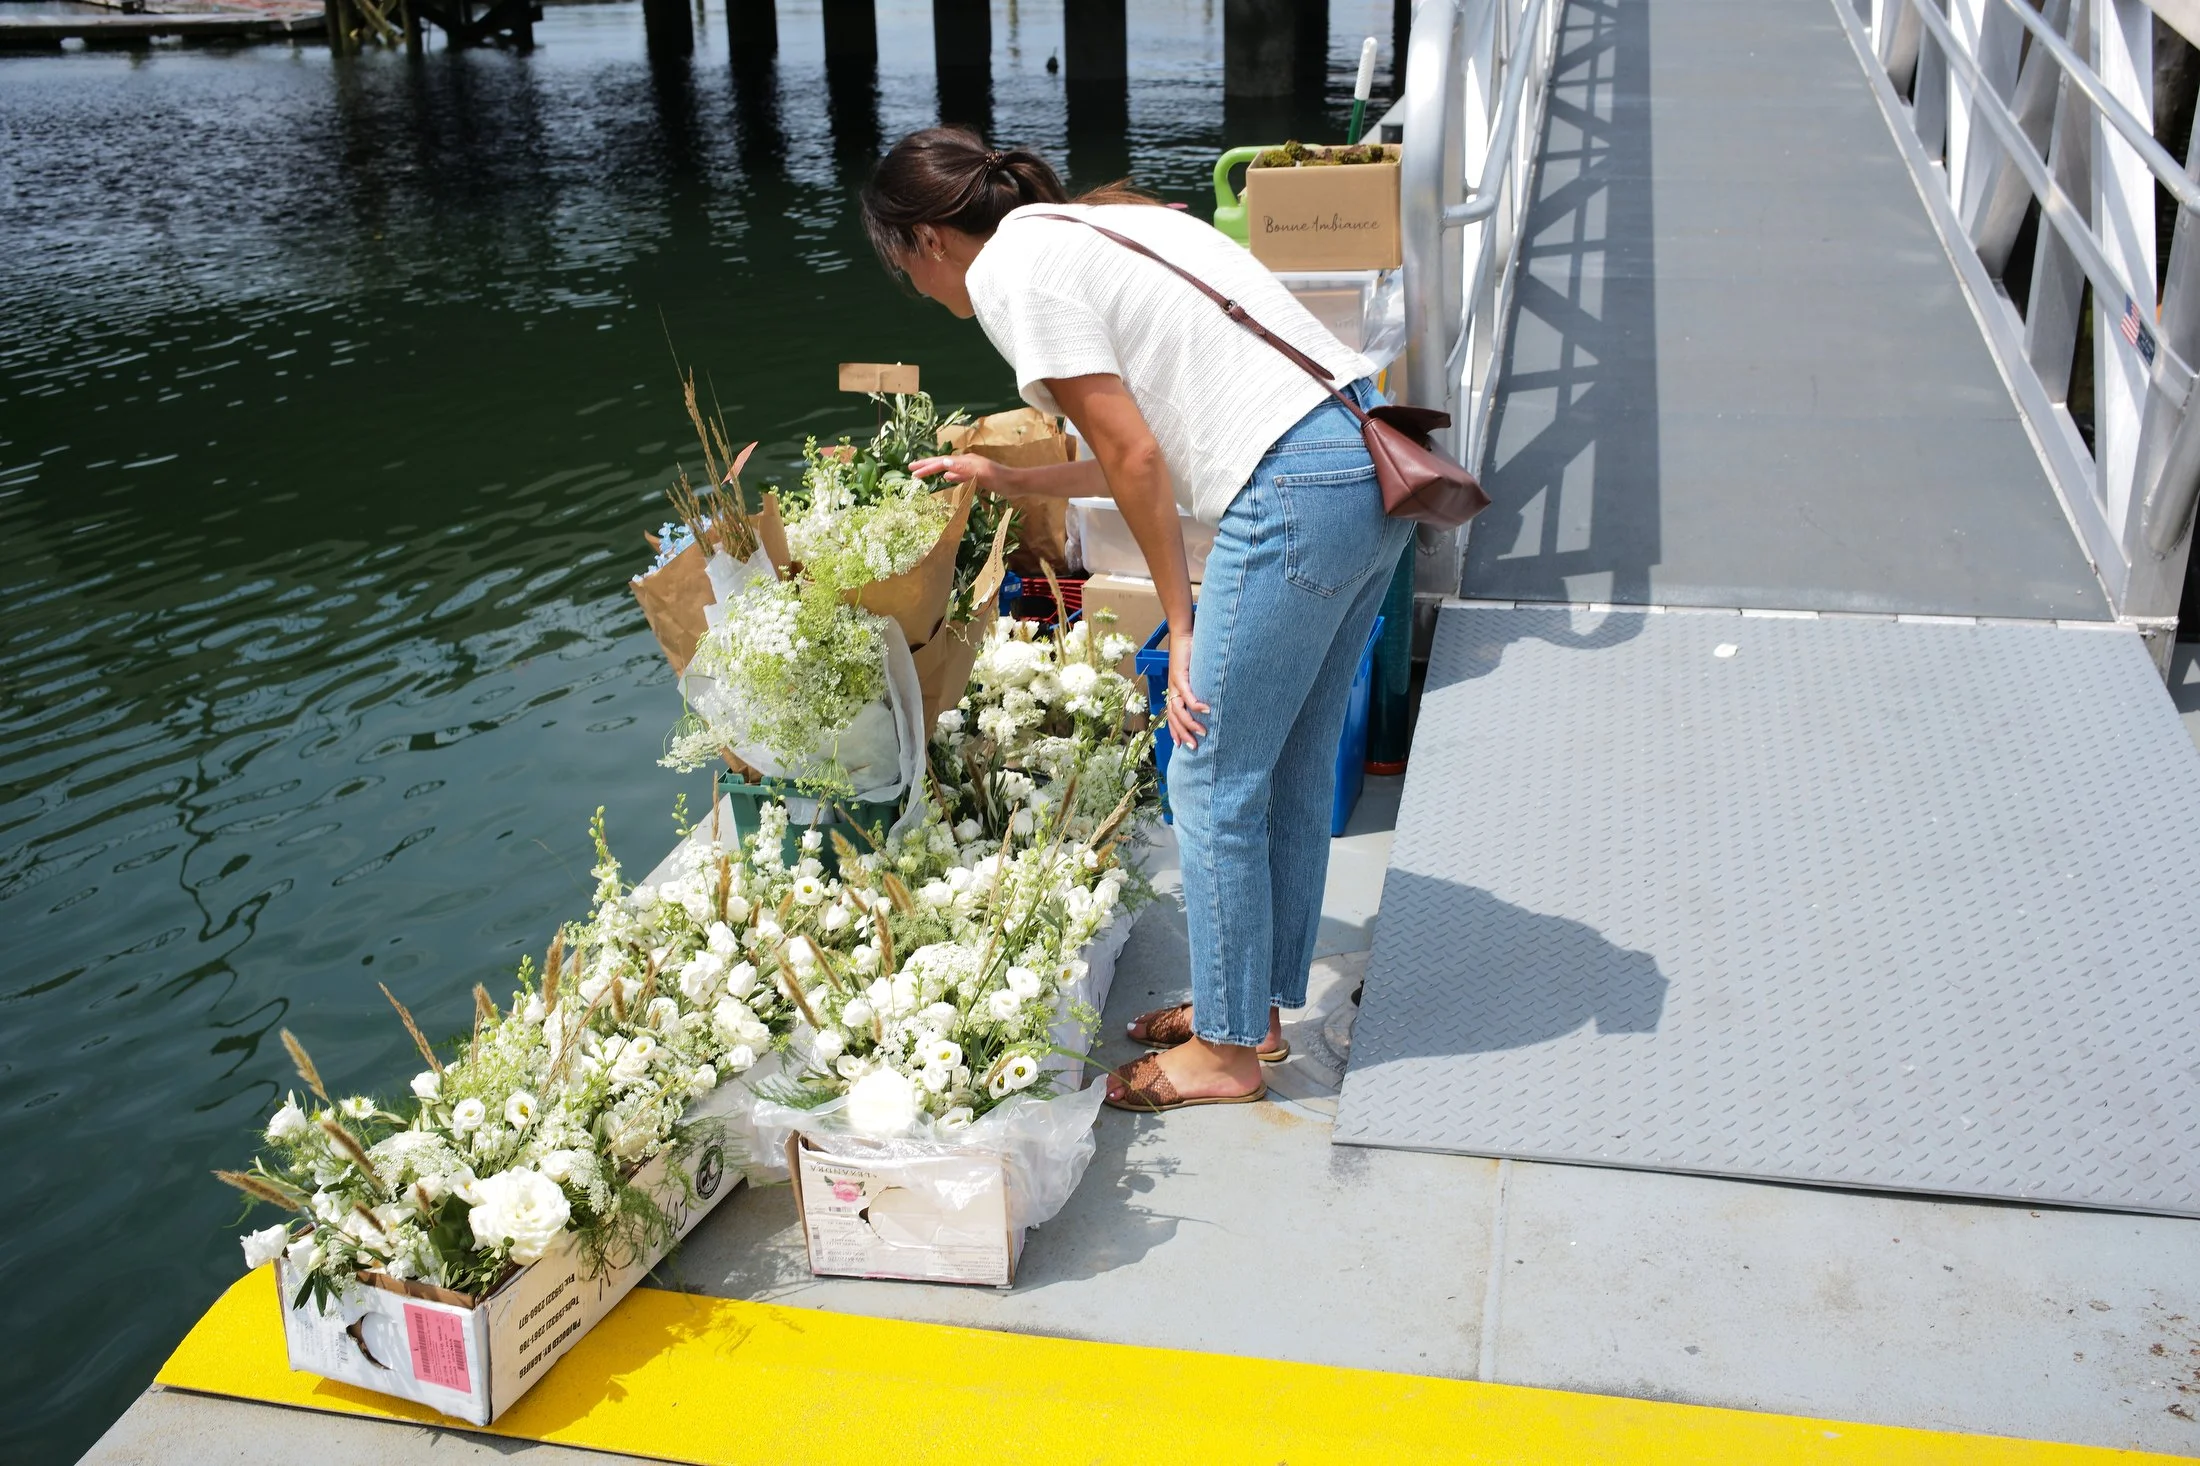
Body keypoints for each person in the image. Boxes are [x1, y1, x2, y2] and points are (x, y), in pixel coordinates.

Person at [868, 126, 1410, 1113]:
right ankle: (1248, 1013)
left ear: (924, 242)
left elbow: (1141, 459)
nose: (915, 286)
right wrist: (1006, 472)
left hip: (1292, 487)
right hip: (1365, 460)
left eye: (899, 264)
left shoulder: (1008, 280)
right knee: (1279, 759)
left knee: (1204, 768)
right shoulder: (1089, 225)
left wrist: (1182, 619)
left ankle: (1224, 1052)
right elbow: (1144, 446)